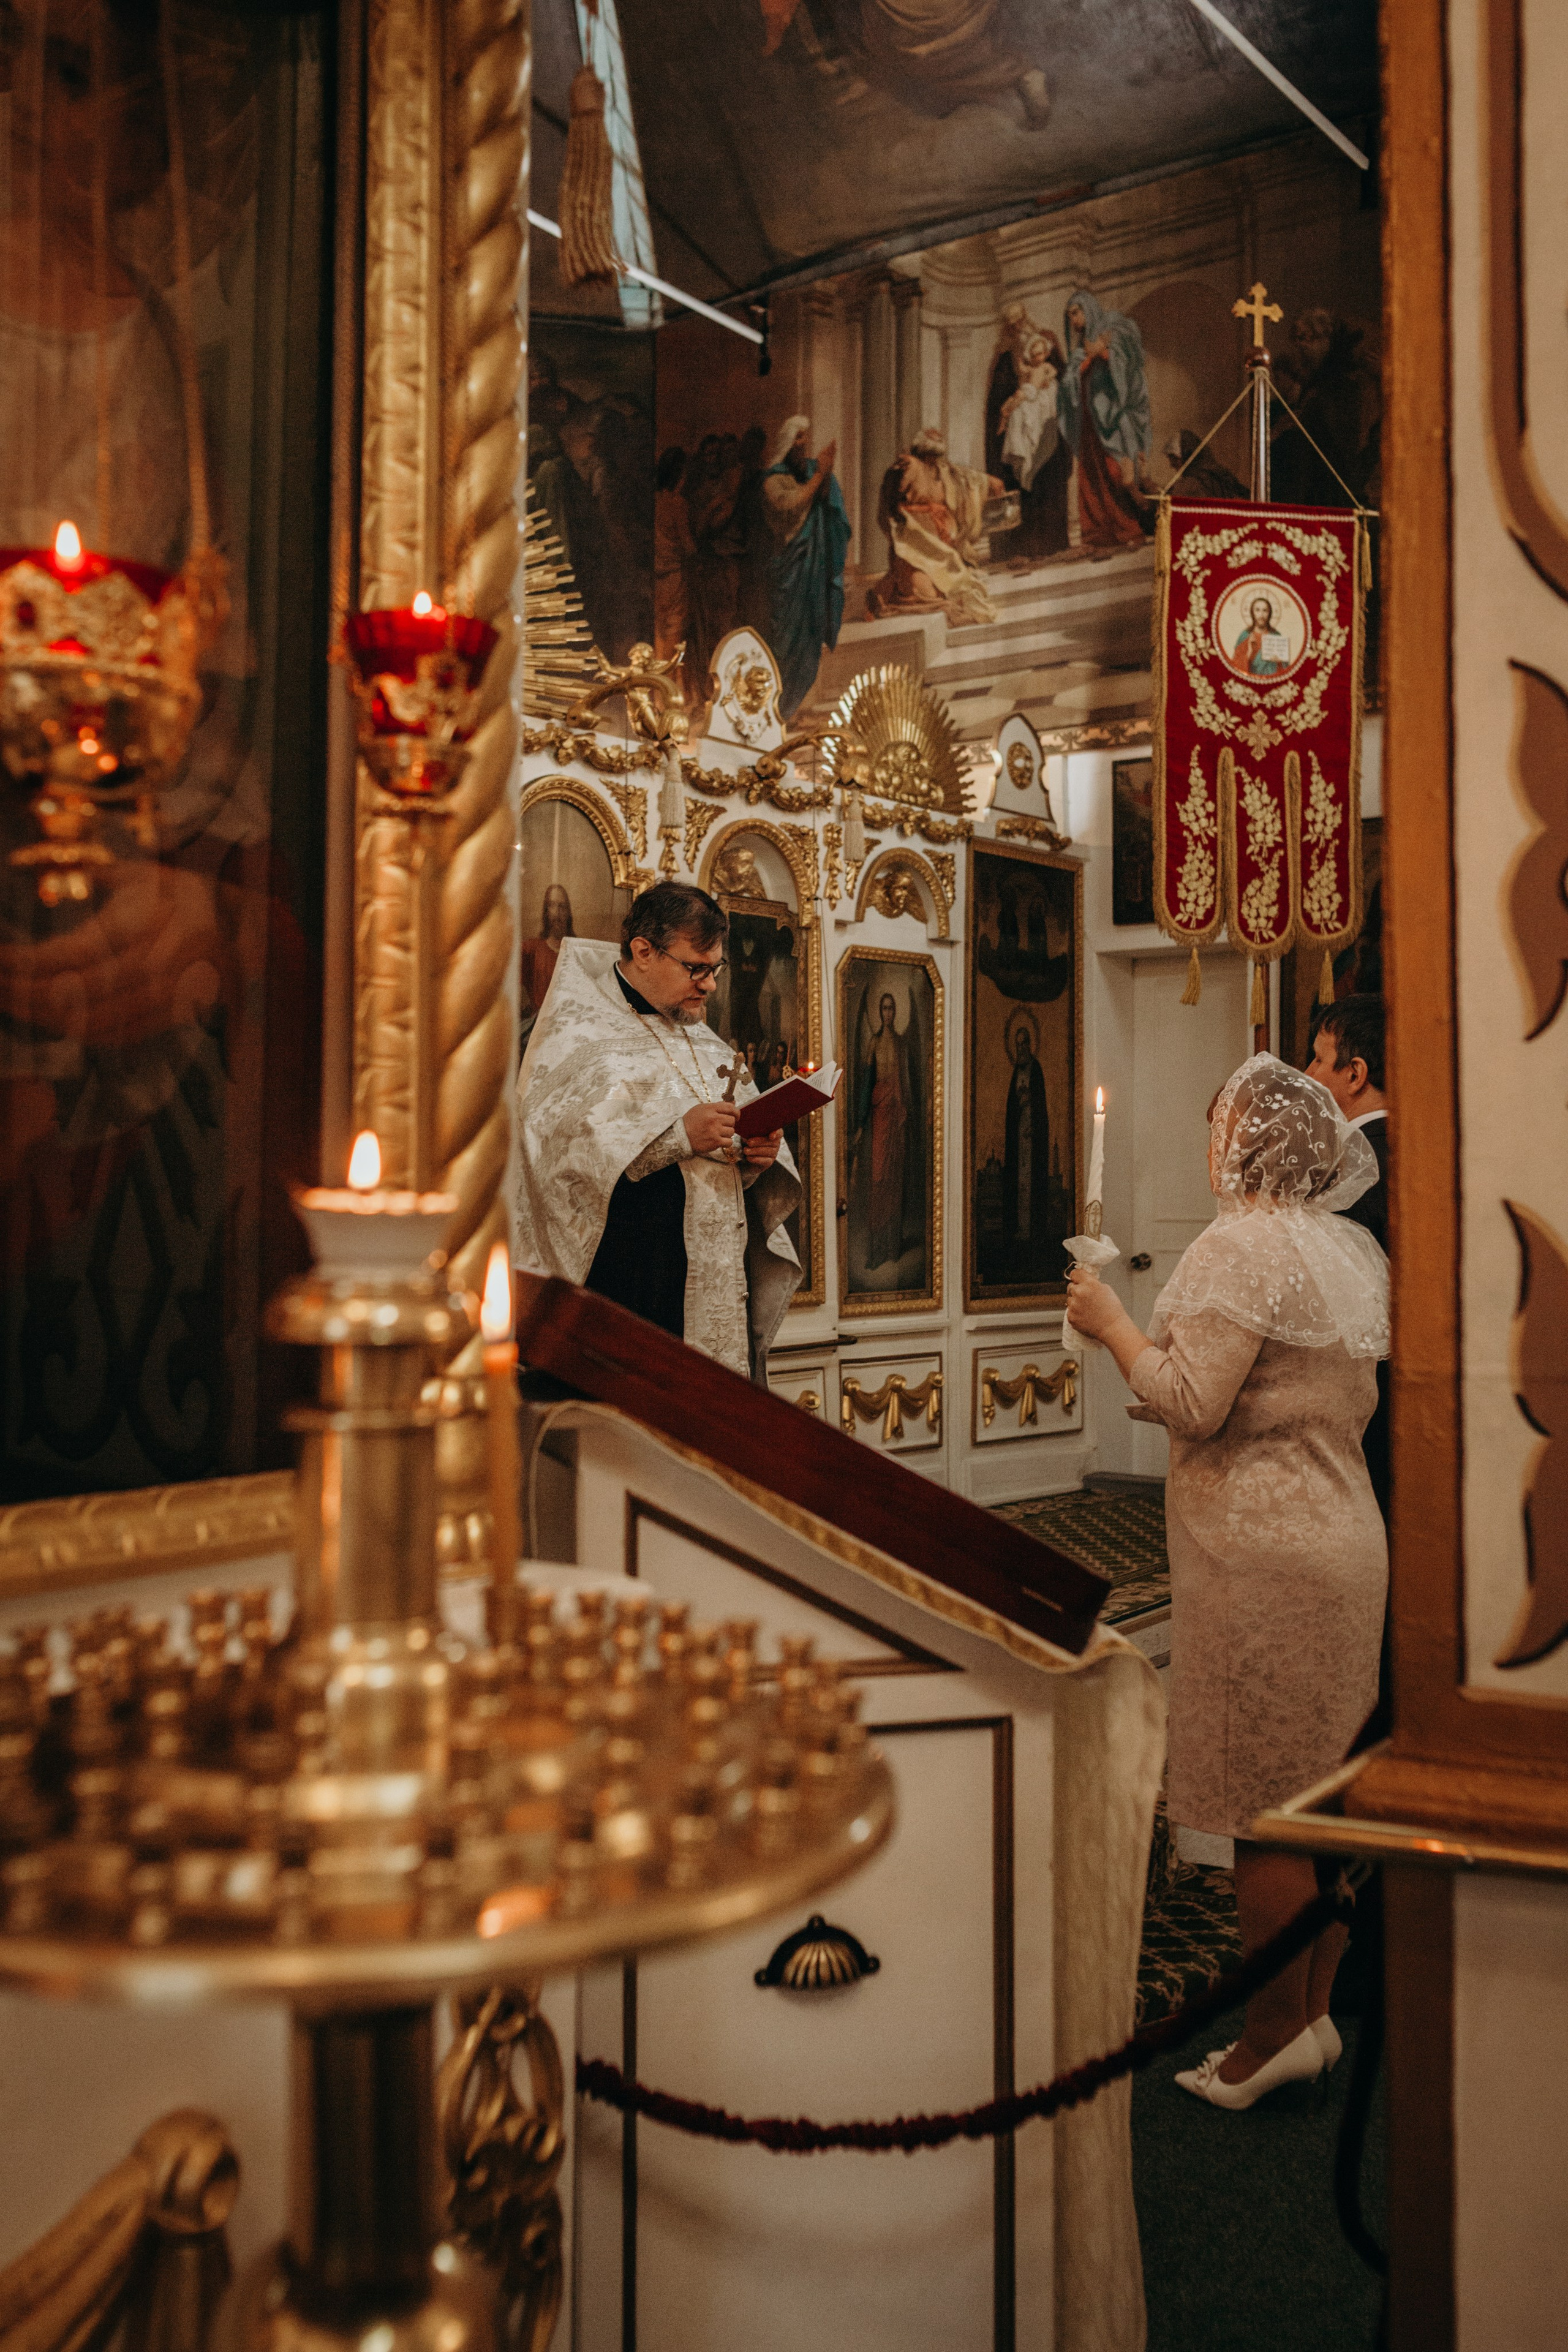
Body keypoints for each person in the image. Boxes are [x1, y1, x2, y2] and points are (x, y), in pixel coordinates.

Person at [1066, 1055, 1389, 2108]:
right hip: (1346, 1540)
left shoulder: (1242, 1246)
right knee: (1324, 1800)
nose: (1213, 1144)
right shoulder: (1344, 1246)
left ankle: (1260, 2041)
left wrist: (1112, 1323)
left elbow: (1192, 1398)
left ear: (1248, 1142)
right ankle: (1313, 2018)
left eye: (1221, 1126)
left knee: (1262, 1808)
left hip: (1262, 1557)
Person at [513, 882, 799, 1380]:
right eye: (696, 968)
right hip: (630, 1290)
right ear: (644, 952)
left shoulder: (705, 1042)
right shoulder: (578, 1034)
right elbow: (558, 1159)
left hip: (715, 1291)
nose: (710, 985)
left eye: (716, 969)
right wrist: (678, 1137)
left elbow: (726, 1170)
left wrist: (756, 1155)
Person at [1307, 996, 1389, 1519]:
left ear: (1354, 1073)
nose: (1307, 1072)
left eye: (1318, 1058)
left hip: (1368, 1403)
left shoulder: (1359, 1173)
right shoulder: (1413, 1146)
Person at [759, 417, 852, 717]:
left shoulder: (807, 472)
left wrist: (826, 477)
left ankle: (801, 703)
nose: (804, 444)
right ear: (787, 444)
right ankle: (780, 707)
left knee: (810, 633)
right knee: (786, 641)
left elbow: (823, 505)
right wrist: (819, 476)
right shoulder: (774, 480)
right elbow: (790, 506)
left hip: (811, 569)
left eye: (805, 438)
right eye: (798, 438)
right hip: (790, 569)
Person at [867, 426, 1003, 626]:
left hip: (939, 545)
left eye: (936, 456)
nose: (934, 460)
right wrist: (902, 523)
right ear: (922, 452)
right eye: (930, 455)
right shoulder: (909, 465)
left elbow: (965, 477)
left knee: (955, 587)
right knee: (926, 594)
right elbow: (889, 500)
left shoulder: (943, 469)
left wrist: (989, 481)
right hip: (915, 544)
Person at [1056, 291, 1154, 552]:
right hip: (1089, 421)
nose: (1074, 321)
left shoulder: (1114, 328)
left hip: (1111, 417)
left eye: (1076, 313)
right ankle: (1098, 534)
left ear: (1088, 309)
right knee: (1091, 477)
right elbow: (1069, 382)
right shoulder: (1080, 350)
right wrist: (1086, 363)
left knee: (1116, 473)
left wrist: (1106, 353)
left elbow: (1131, 359)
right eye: (1070, 317)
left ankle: (1128, 529)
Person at [518, 883, 575, 1046]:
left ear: (569, 912)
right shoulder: (530, 949)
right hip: (537, 1026)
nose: (557, 913)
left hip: (570, 1026)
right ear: (545, 911)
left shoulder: (577, 950)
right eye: (552, 906)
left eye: (562, 907)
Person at [1229, 594, 1289, 677]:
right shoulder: (1245, 636)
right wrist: (1249, 654)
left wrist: (1279, 662)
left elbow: (1286, 669)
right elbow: (1235, 668)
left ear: (1270, 613)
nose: (1261, 615)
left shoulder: (1276, 636)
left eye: (1265, 611)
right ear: (1252, 613)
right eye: (1257, 610)